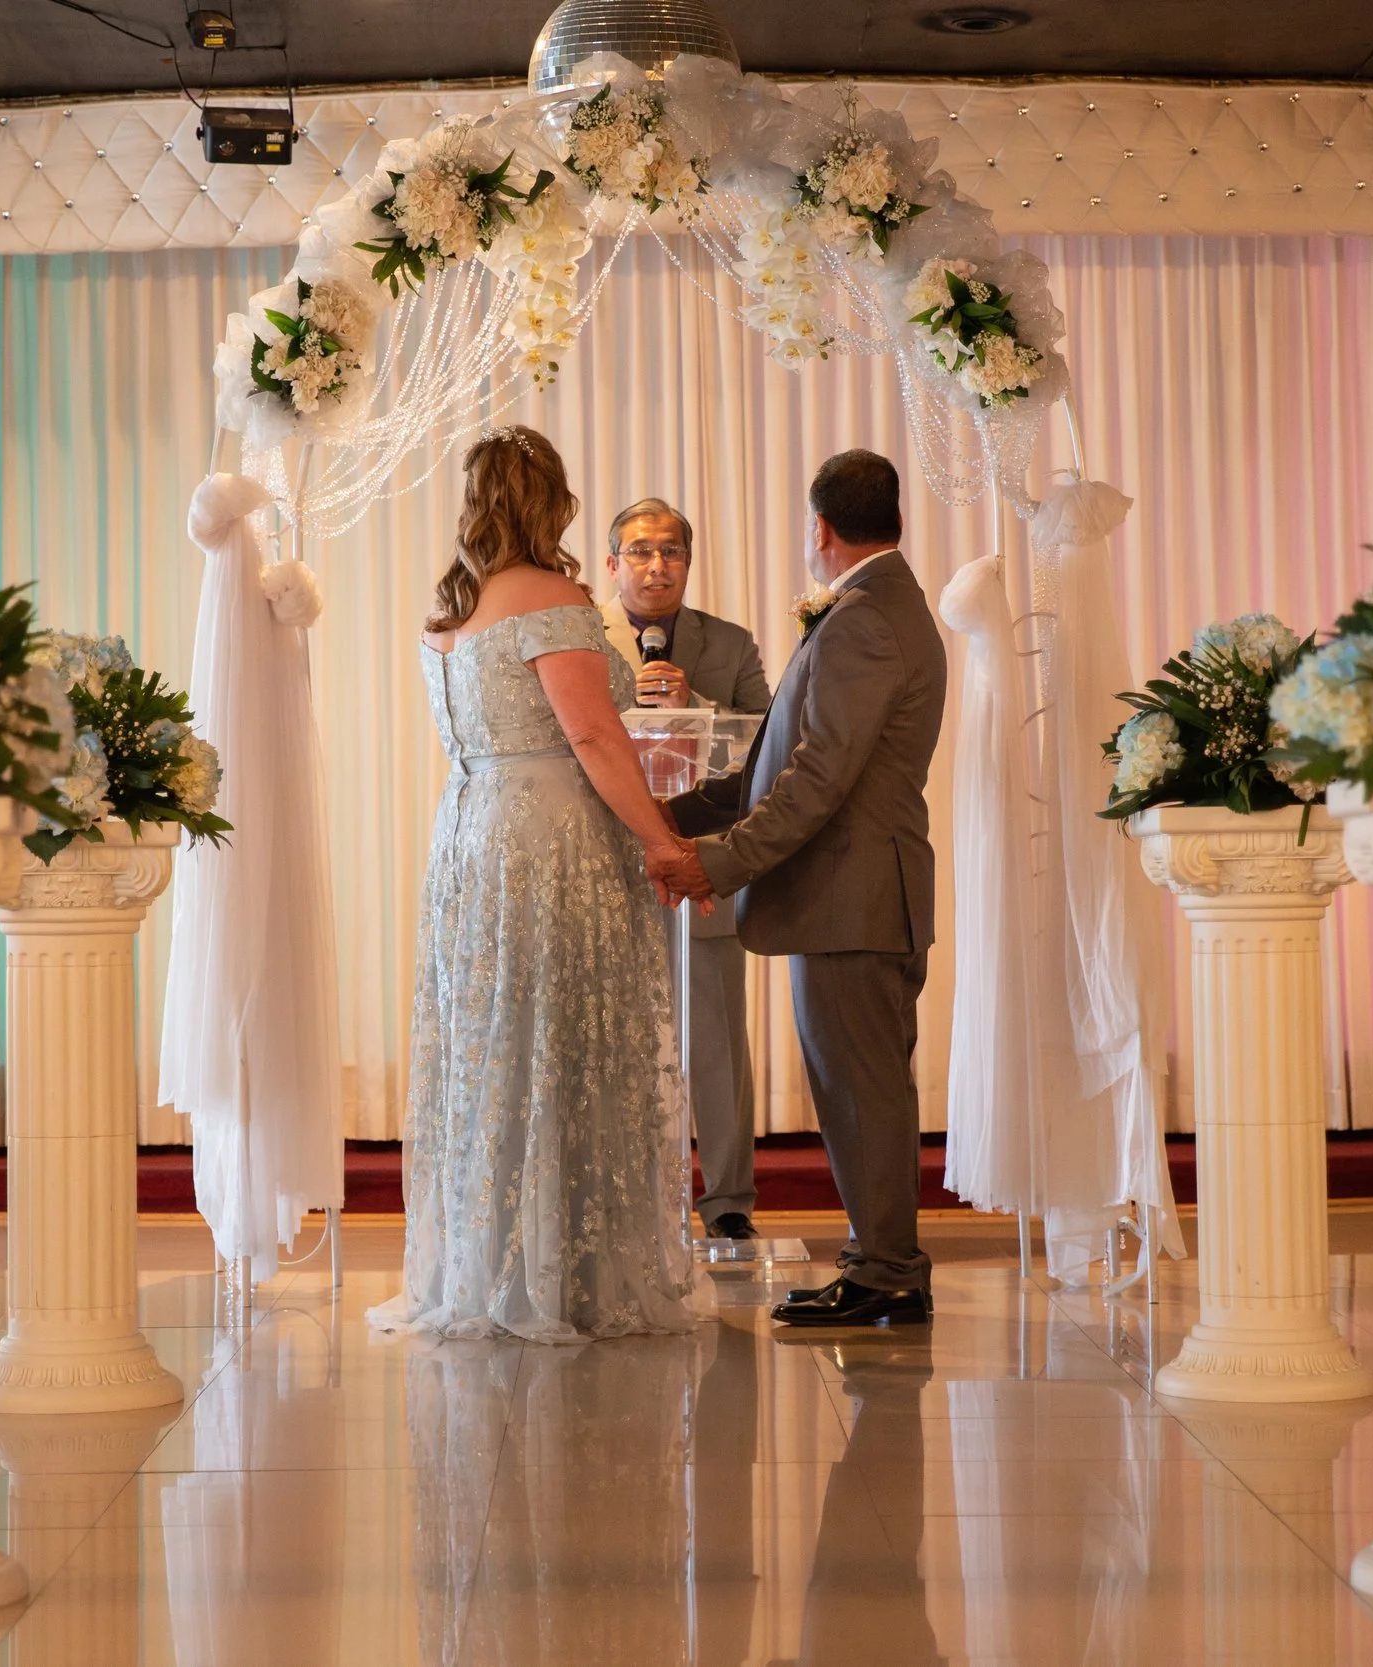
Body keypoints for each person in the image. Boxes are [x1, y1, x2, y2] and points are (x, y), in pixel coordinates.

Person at [369, 425, 700, 1343]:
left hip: (471, 834)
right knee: (560, 1038)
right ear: (549, 502)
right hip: (550, 837)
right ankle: (568, 1273)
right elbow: (593, 738)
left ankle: (488, 1261)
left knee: (496, 1047)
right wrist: (665, 841)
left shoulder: (450, 613)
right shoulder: (554, 599)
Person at [655, 450, 947, 1328]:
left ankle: (887, 1270)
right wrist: (670, 811)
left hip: (852, 898)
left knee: (862, 1092)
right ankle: (877, 1263)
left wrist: (718, 861)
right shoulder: (882, 606)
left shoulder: (862, 619)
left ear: (821, 527)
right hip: (853, 895)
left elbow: (817, 779)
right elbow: (770, 765)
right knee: (863, 1088)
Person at [599, 497, 772, 1242]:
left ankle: (728, 1200)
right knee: (609, 1037)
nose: (656, 565)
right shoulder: (581, 640)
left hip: (703, 865)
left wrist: (694, 703)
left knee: (716, 1039)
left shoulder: (728, 645)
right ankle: (622, 1198)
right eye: (639, 551)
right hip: (610, 863)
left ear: (689, 563)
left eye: (670, 551)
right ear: (612, 564)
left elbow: (769, 749)